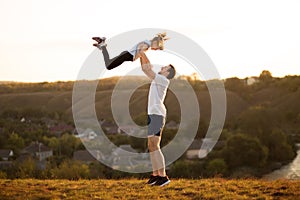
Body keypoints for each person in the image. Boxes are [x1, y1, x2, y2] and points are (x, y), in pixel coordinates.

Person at [139, 51, 176, 187]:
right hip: (153, 114)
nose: (161, 68)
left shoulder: (163, 80)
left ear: (168, 73)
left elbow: (147, 69)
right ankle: (155, 175)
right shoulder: (158, 79)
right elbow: (144, 68)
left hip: (157, 115)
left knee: (155, 146)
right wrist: (140, 56)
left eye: (164, 68)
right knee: (151, 146)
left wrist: (142, 52)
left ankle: (163, 177)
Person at [92, 33, 169, 70]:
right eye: (157, 47)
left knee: (109, 63)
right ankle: (102, 45)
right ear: (155, 43)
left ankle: (102, 46)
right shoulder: (146, 45)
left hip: (125, 55)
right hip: (126, 55)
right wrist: (148, 63)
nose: (156, 49)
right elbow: (140, 52)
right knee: (108, 66)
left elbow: (140, 52)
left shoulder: (147, 43)